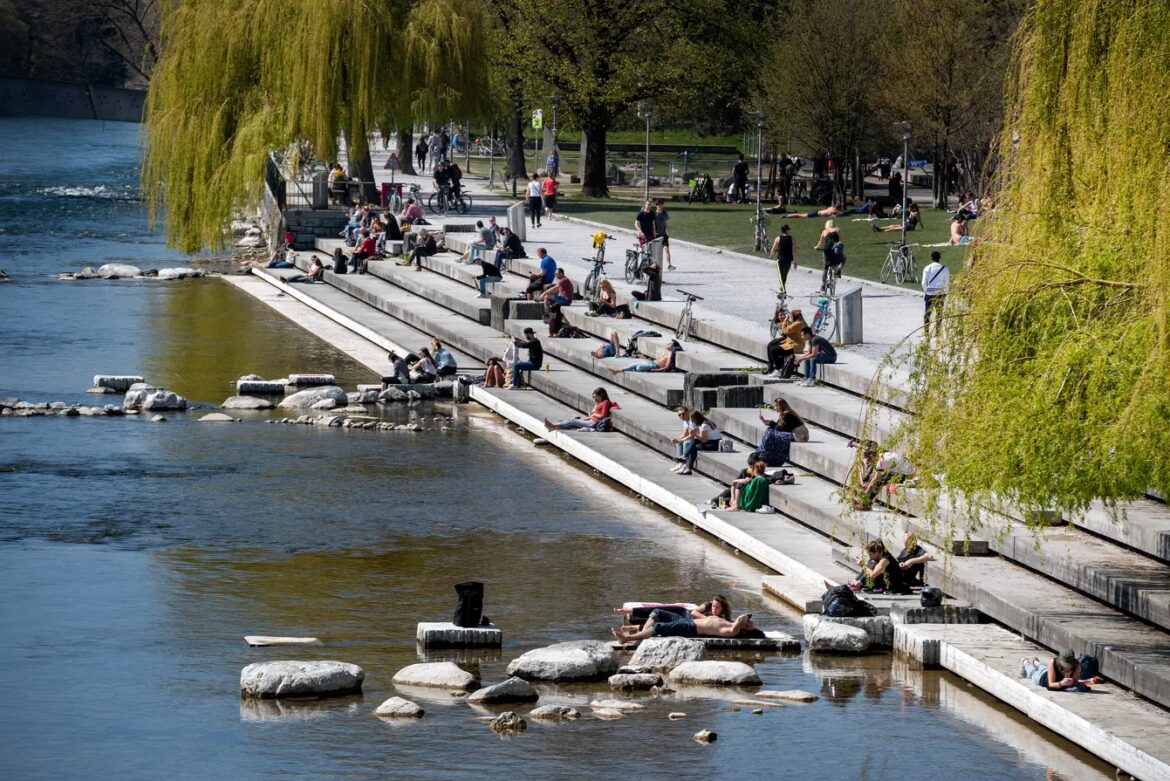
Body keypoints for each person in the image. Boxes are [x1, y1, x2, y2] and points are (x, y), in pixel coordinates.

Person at [612, 608, 755, 647]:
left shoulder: (732, 631)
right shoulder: (728, 622)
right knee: (657, 612)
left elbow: (735, 626)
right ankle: (639, 639)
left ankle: (626, 639)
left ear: (744, 629)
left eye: (748, 624)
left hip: (690, 628)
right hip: (688, 621)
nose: (747, 621)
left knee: (658, 627)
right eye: (748, 621)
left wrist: (741, 621)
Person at [1022, 650, 1103, 692]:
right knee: (1033, 673)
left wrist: (1072, 682)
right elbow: (1050, 684)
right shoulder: (1053, 662)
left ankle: (1035, 662)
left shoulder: (1077, 664)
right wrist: (1061, 683)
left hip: (1048, 671)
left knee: (1043, 667)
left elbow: (1075, 681)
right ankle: (1026, 663)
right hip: (1042, 678)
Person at [544, 387, 618, 431]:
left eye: (595, 397)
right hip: (591, 420)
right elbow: (594, 415)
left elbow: (603, 416)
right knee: (572, 424)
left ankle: (552, 425)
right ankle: (553, 428)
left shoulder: (606, 402)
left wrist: (594, 414)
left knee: (572, 421)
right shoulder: (599, 403)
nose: (594, 399)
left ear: (601, 395)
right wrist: (590, 415)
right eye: (593, 397)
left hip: (593, 423)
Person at [674, 411, 720, 475]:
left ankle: (687, 465)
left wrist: (695, 434)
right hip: (710, 441)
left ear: (696, 419)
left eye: (692, 420)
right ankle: (685, 461)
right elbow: (693, 436)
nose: (691, 421)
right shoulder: (703, 423)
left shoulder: (704, 425)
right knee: (693, 442)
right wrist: (680, 440)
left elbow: (704, 440)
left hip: (714, 444)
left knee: (693, 448)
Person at [765, 308, 807, 377]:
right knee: (772, 347)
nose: (790, 317)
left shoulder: (796, 324)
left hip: (795, 346)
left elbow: (785, 331)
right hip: (793, 343)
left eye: (791, 316)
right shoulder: (800, 322)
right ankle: (774, 367)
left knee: (774, 350)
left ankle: (778, 369)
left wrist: (785, 320)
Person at [608, 340, 680, 374]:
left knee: (638, 367)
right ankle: (618, 370)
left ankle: (618, 370)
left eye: (670, 343)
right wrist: (646, 359)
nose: (668, 343)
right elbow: (658, 360)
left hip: (655, 366)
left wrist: (656, 371)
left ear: (673, 346)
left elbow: (666, 367)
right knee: (634, 365)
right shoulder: (667, 352)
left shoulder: (670, 354)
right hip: (652, 363)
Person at [814, 219, 845, 291]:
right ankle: (838, 271)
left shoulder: (824, 232)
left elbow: (820, 243)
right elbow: (840, 241)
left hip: (827, 251)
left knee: (825, 268)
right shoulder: (837, 230)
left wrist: (816, 247)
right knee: (843, 259)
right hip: (835, 251)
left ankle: (823, 285)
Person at [921, 251, 950, 328]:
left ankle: (926, 331)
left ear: (931, 258)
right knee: (939, 313)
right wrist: (946, 293)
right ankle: (938, 331)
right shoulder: (945, 269)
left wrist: (926, 291)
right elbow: (946, 282)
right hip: (940, 293)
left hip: (930, 293)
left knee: (927, 313)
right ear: (940, 258)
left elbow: (924, 282)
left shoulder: (927, 268)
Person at [768, 224, 797, 290]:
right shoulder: (792, 239)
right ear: (786, 231)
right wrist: (795, 261)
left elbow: (773, 249)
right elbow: (794, 251)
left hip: (780, 260)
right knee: (784, 275)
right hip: (788, 260)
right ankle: (782, 288)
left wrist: (771, 256)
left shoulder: (778, 238)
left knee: (781, 276)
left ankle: (783, 290)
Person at [654, 199, 674, 270]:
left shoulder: (664, 213)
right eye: (659, 205)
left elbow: (666, 223)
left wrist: (667, 231)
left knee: (667, 250)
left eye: (661, 205)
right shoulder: (654, 214)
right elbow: (652, 224)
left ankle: (669, 265)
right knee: (657, 252)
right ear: (656, 206)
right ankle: (655, 265)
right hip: (657, 235)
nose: (660, 207)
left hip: (663, 234)